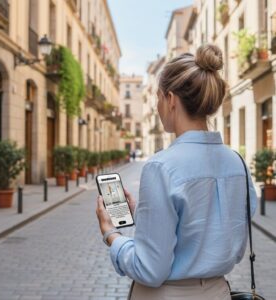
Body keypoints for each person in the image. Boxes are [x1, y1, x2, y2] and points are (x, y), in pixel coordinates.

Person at [96, 44, 257, 300]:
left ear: (170, 99)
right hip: (219, 292)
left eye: (158, 97)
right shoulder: (237, 164)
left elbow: (149, 269)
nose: (158, 106)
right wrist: (142, 211)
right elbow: (209, 229)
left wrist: (111, 234)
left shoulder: (161, 167)